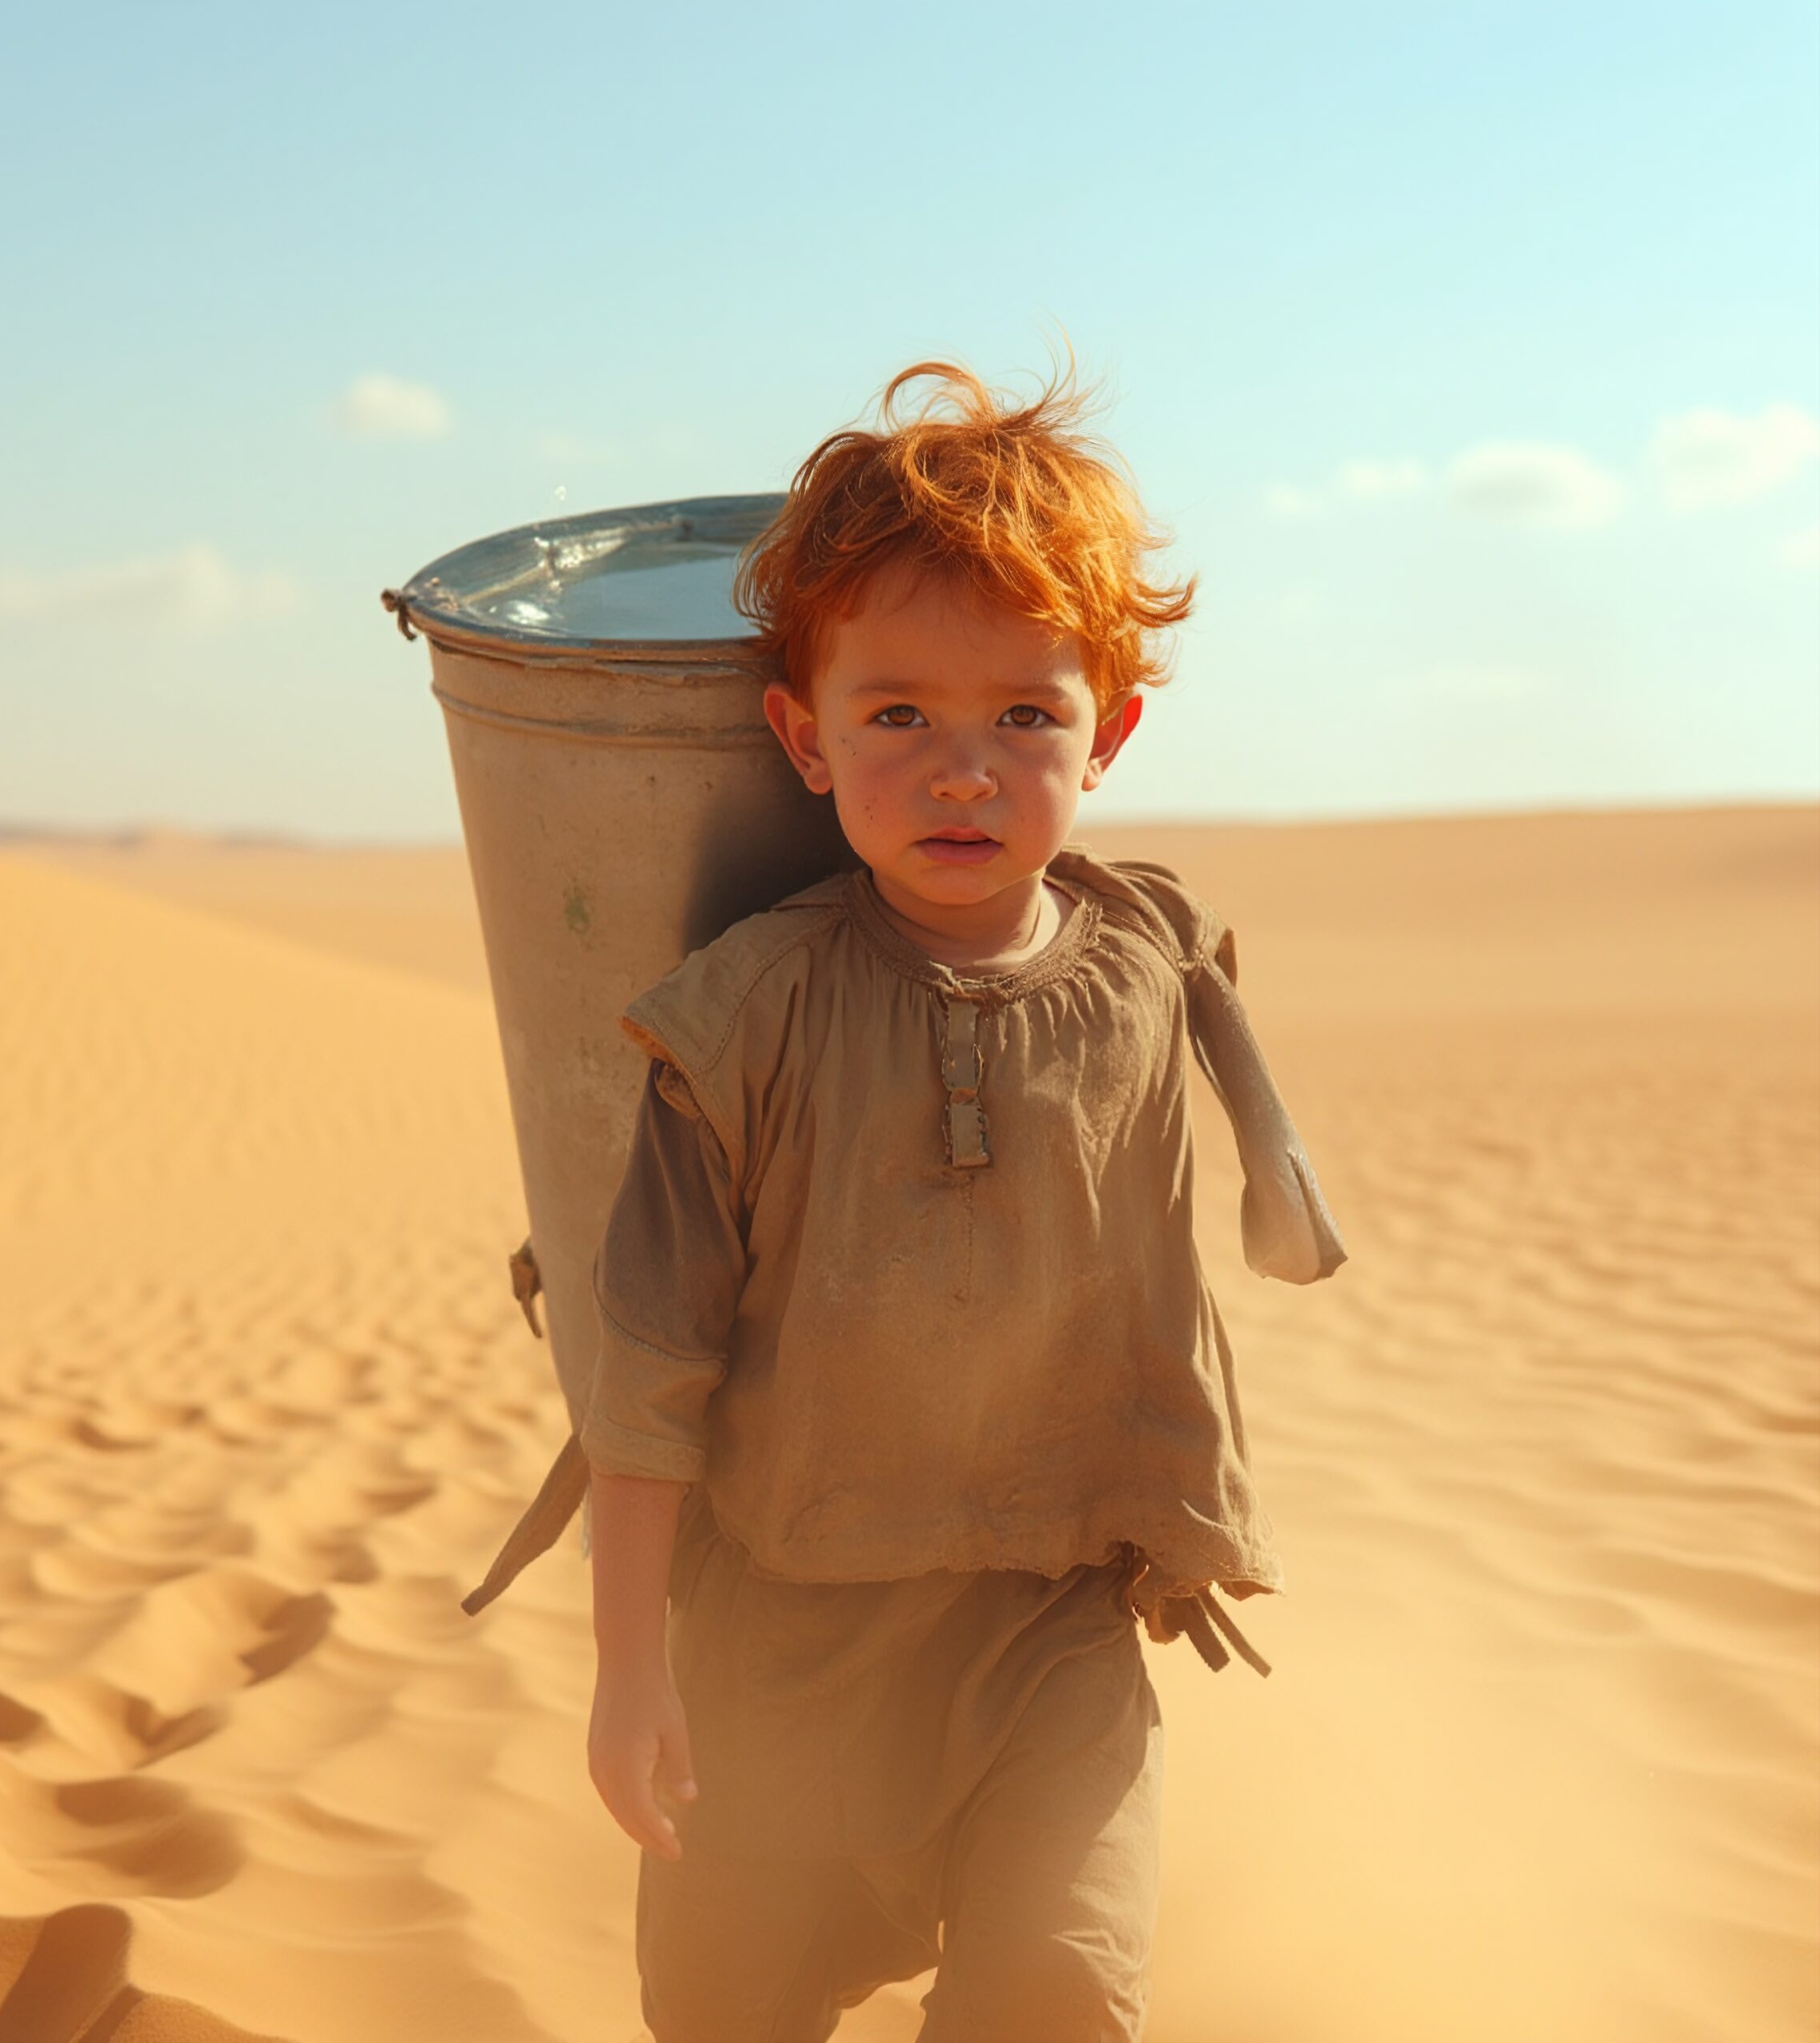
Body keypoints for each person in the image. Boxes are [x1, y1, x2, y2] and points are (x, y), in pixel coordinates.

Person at [503, 358, 1347, 2038]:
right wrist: (630, 1671)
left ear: (1104, 732)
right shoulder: (742, 1014)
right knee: (726, 2012)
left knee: (1053, 1991)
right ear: (800, 736)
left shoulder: (1149, 961)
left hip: (1054, 1634)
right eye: (896, 714)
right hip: (776, 1648)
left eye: (1021, 715)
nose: (962, 768)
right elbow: (644, 1372)